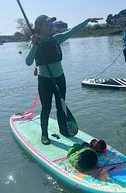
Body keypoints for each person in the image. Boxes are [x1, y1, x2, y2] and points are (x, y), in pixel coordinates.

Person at [25, 14, 102, 145]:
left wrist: (87, 21)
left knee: (61, 106)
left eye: (52, 24)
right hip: (45, 81)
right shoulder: (34, 42)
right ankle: (44, 134)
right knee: (46, 108)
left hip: (60, 78)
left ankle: (64, 130)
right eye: (48, 24)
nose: (52, 26)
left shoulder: (56, 39)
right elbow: (28, 62)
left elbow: (72, 31)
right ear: (40, 26)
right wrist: (34, 45)